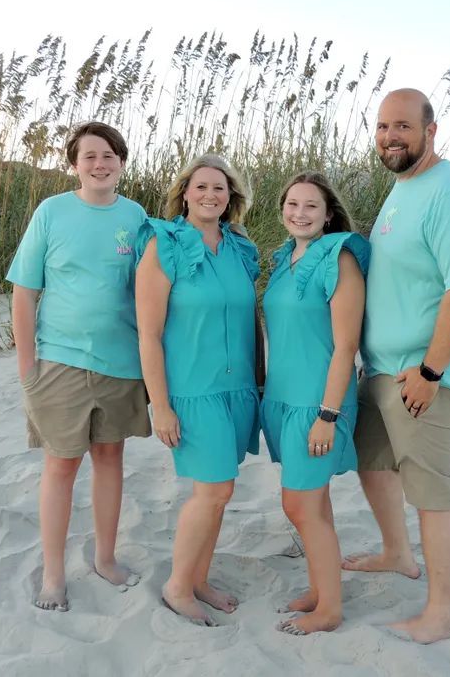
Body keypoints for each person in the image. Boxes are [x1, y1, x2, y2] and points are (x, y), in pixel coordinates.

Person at [345, 88, 450, 643]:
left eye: (404, 127)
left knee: (433, 492)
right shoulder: (403, 188)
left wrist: (432, 372)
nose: (391, 137)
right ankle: (395, 552)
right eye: (383, 126)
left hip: (425, 375)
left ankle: (443, 614)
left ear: (431, 131)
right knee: (372, 462)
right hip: (384, 369)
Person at [7, 121, 151, 612]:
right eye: (89, 156)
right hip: (60, 361)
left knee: (110, 458)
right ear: (74, 164)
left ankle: (105, 558)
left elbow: (147, 291)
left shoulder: (135, 217)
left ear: (122, 162)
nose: (100, 163)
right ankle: (53, 575)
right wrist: (29, 367)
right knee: (61, 463)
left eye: (109, 154)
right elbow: (25, 293)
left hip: (119, 362)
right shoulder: (52, 212)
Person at [135, 154, 262, 627]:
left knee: (222, 492)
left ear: (232, 198)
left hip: (237, 389)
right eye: (202, 187)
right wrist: (160, 406)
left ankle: (199, 578)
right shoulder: (164, 244)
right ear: (184, 192)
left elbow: (250, 319)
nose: (211, 195)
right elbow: (148, 334)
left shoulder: (240, 248)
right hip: (192, 390)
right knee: (210, 492)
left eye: (221, 188)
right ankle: (176, 586)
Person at [260, 172, 369, 636]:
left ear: (328, 214)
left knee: (300, 505)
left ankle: (329, 611)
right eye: (292, 204)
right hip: (283, 399)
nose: (299, 213)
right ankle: (323, 590)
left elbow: (346, 346)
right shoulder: (284, 258)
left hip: (317, 403)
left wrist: (328, 415)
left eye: (311, 206)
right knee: (313, 503)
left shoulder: (339, 257)